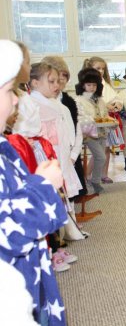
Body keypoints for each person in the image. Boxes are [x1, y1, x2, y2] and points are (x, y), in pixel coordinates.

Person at [0, 39, 67, 326]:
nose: (15, 99)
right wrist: (42, 185)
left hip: (30, 269)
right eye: (7, 91)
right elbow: (7, 230)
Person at [41, 55, 87, 197]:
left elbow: (77, 130)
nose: (60, 82)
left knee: (70, 193)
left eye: (63, 77)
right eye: (54, 80)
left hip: (70, 155)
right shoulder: (41, 103)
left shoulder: (69, 102)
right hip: (50, 156)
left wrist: (73, 156)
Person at [82, 57, 124, 184]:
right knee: (98, 151)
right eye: (97, 68)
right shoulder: (87, 85)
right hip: (95, 123)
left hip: (107, 123)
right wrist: (106, 106)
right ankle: (86, 175)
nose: (100, 71)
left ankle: (103, 174)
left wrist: (117, 104)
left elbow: (116, 97)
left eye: (102, 69)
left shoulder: (105, 84)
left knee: (106, 150)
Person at [75, 68, 112, 194]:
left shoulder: (100, 100)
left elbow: (105, 115)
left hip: (102, 132)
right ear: (83, 85)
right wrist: (94, 120)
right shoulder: (79, 100)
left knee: (100, 158)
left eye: (94, 85)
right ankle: (95, 181)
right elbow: (80, 118)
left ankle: (93, 180)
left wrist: (112, 122)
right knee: (101, 157)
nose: (92, 87)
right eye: (89, 84)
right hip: (89, 135)